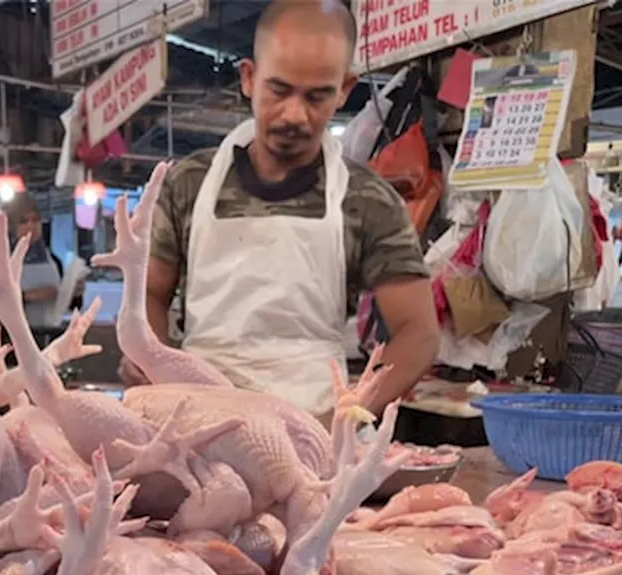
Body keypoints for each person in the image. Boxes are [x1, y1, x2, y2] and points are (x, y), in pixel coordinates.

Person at [129, 0, 440, 419]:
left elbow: (418, 333)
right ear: (249, 78)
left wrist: (347, 414)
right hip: (197, 413)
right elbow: (149, 294)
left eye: (317, 97)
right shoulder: (188, 183)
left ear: (345, 90)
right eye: (279, 90)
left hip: (315, 415)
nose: (294, 115)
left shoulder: (368, 199)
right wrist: (153, 362)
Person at [0, 192, 71, 328]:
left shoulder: (55, 261)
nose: (31, 226)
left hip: (49, 336)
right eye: (24, 221)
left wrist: (74, 294)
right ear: (11, 226)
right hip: (11, 338)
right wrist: (27, 296)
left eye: (35, 220)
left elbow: (66, 306)